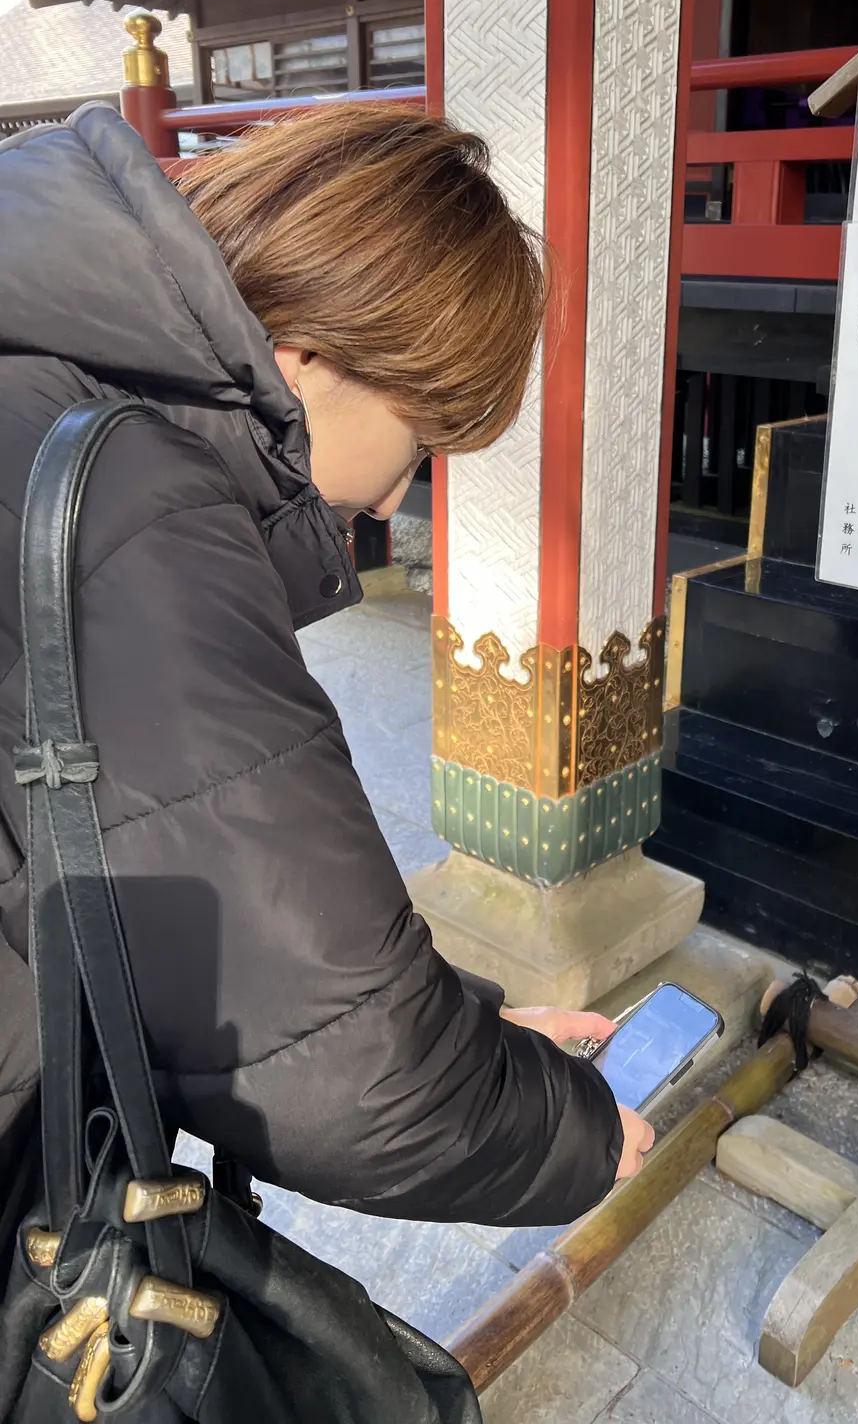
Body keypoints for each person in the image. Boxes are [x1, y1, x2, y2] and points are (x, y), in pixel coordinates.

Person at [0, 100, 655, 1242]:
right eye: (425, 433)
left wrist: (478, 1028)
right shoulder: (137, 495)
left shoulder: (40, 380)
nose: (402, 496)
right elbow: (348, 1077)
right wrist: (572, 1130)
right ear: (309, 348)